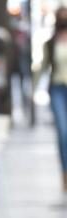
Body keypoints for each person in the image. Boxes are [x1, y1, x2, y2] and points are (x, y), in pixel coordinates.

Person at [44, 7, 67, 199]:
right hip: (58, 89)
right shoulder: (51, 42)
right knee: (63, 132)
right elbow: (44, 67)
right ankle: (65, 173)